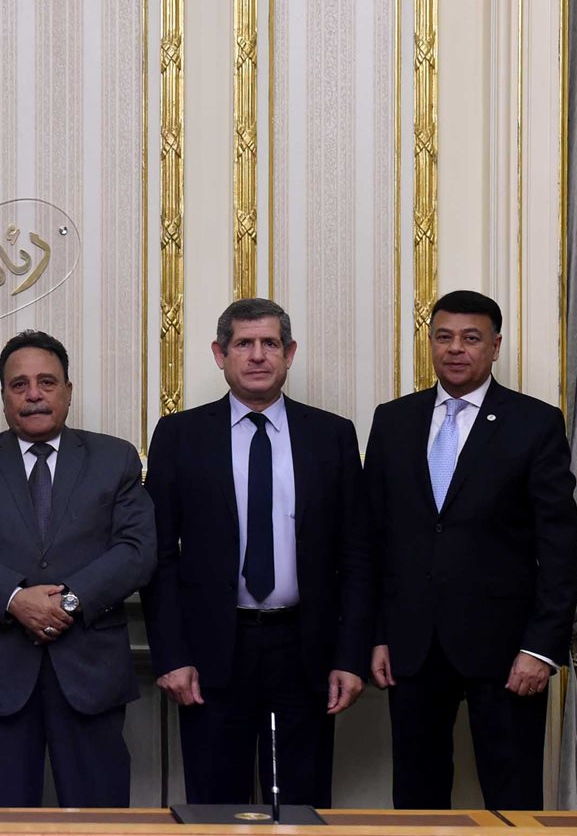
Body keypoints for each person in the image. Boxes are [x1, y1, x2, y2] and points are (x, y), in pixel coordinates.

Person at [140, 298, 372, 808]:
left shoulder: (331, 435)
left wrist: (350, 656)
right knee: (215, 807)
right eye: (243, 344)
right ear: (219, 354)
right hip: (212, 651)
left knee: (302, 806)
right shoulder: (180, 436)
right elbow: (158, 555)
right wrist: (172, 655)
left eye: (270, 343)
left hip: (305, 648)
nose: (258, 355)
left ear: (290, 353)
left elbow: (356, 555)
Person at [366, 289, 577, 810]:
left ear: (495, 346)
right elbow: (374, 538)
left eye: (470, 338)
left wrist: (541, 648)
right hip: (413, 646)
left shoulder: (534, 423)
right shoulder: (393, 421)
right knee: (416, 800)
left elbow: (559, 546)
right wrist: (377, 636)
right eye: (443, 337)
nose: (455, 349)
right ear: (430, 344)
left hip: (507, 651)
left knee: (513, 799)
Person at [0, 330, 157, 808]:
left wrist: (67, 602)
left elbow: (137, 550)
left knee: (99, 822)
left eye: (47, 382)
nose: (34, 394)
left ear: (68, 390)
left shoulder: (114, 458)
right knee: (4, 824)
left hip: (90, 670)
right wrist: (15, 600)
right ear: (4, 395)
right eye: (20, 385)